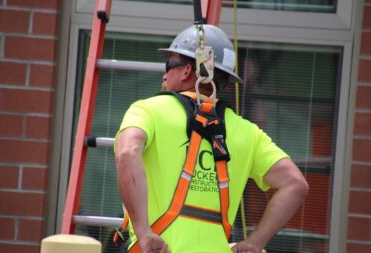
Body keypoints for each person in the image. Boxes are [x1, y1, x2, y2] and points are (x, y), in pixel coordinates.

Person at [115, 24, 309, 253]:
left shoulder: (148, 110)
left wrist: (144, 231)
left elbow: (127, 153)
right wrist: (255, 242)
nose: (165, 74)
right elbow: (295, 184)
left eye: (169, 65)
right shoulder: (248, 132)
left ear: (187, 71)